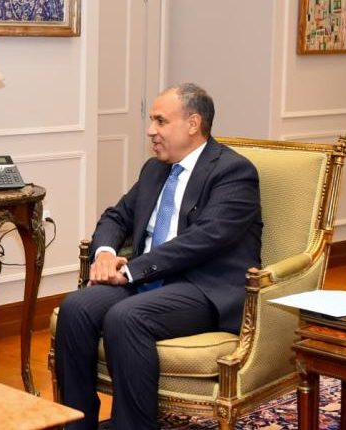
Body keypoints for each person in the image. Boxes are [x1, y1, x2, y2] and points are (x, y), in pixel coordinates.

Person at [54, 83, 262, 429]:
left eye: (161, 121)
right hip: (149, 279)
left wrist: (131, 271)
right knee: (76, 308)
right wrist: (104, 255)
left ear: (193, 124)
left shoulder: (233, 172)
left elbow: (203, 240)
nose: (151, 130)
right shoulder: (155, 169)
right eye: (152, 120)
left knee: (126, 317)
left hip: (202, 287)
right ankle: (76, 424)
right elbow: (116, 216)